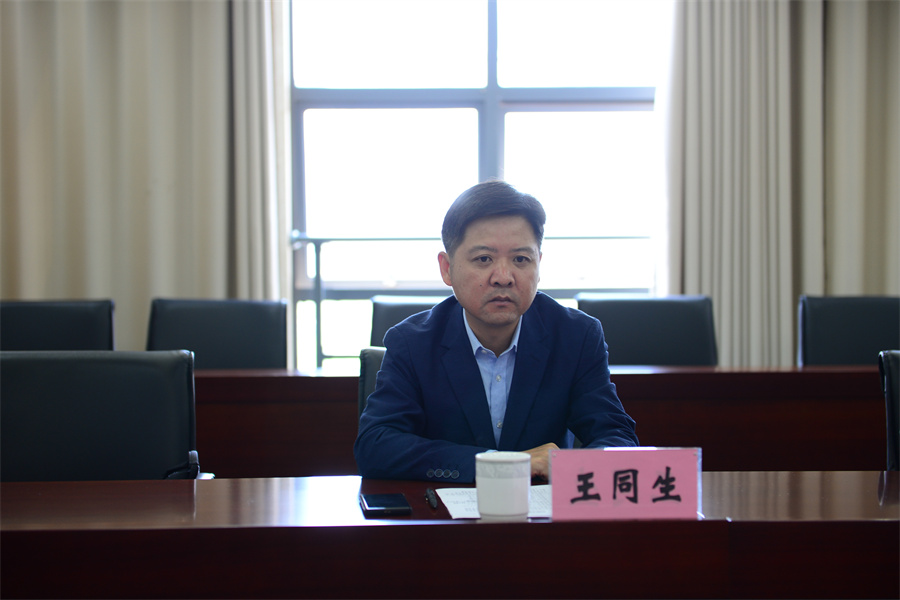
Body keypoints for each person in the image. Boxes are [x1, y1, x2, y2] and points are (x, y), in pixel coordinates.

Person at [354, 180, 638, 483]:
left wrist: (575, 467)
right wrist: (500, 464)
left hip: (541, 509)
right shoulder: (412, 342)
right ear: (447, 268)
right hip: (447, 510)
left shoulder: (576, 336)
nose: (503, 277)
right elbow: (376, 446)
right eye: (483, 259)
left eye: (520, 259)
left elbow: (617, 438)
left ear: (538, 265)